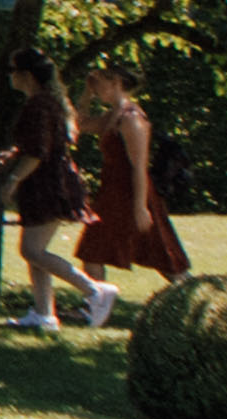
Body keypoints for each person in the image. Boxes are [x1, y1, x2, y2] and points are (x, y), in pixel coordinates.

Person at [0, 43, 110, 331]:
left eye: (13, 70)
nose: (9, 75)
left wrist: (13, 180)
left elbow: (38, 153)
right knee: (36, 250)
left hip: (48, 184)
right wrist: (14, 153)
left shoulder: (39, 105)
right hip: (48, 182)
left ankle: (94, 290)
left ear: (27, 75)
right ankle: (43, 314)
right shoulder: (47, 102)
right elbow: (41, 142)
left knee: (32, 250)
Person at [69, 59, 187, 299]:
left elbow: (139, 167)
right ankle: (96, 306)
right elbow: (78, 125)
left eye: (99, 81)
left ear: (116, 82)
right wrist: (86, 94)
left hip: (132, 194)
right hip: (112, 192)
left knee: (163, 255)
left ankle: (196, 297)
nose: (95, 86)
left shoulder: (132, 118)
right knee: (93, 251)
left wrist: (141, 208)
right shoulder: (112, 115)